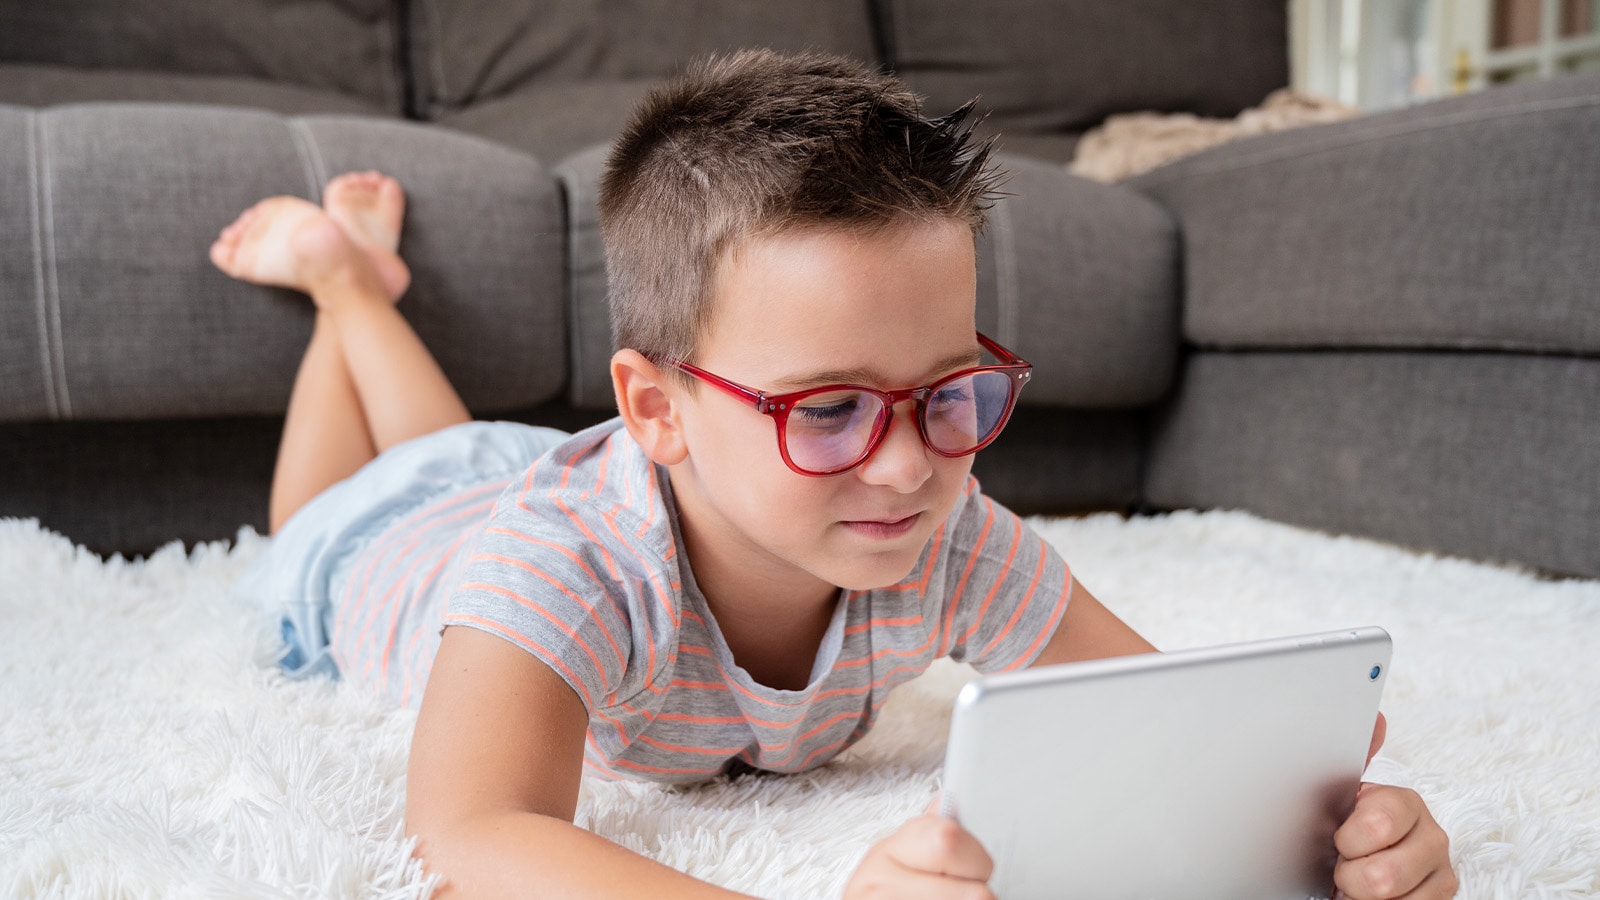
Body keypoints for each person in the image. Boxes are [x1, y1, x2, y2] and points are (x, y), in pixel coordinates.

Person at [214, 50, 1456, 900]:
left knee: (457, 448)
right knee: (334, 506)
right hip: (397, 546)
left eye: (948, 391)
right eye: (833, 410)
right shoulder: (556, 569)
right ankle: (341, 288)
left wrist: (1335, 830)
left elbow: (1162, 722)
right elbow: (467, 835)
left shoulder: (949, 530)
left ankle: (356, 286)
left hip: (531, 467)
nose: (912, 464)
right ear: (660, 409)